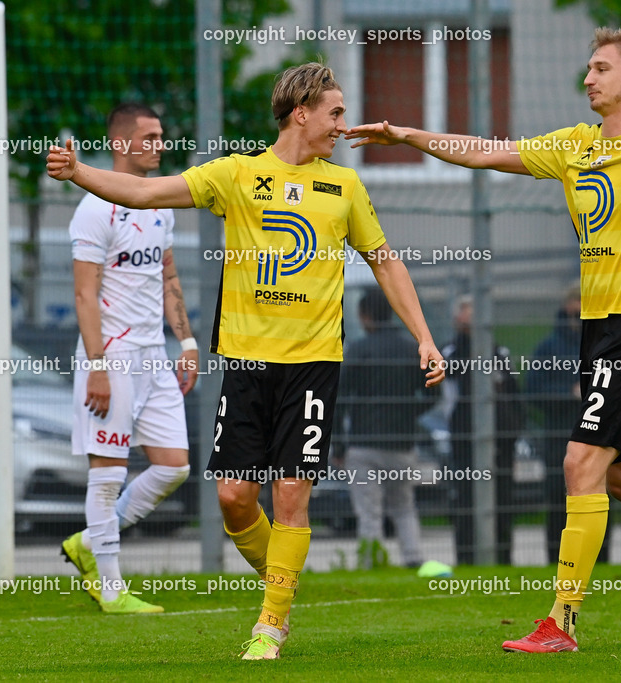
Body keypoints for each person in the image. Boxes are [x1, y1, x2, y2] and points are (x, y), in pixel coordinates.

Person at [347, 27, 621, 651]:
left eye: (601, 68)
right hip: (599, 333)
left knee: (579, 462)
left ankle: (561, 622)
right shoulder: (572, 146)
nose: (588, 78)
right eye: (588, 68)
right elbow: (485, 152)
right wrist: (406, 135)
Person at [48, 63, 445, 660]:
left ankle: (271, 623)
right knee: (235, 496)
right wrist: (78, 172)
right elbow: (146, 190)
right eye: (335, 112)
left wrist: (425, 336)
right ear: (302, 113)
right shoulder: (237, 175)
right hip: (247, 363)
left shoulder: (345, 187)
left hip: (314, 363)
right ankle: (280, 578)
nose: (343, 124)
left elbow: (385, 262)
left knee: (291, 493)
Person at [61, 103, 196, 615]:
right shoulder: (95, 207)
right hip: (111, 357)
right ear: (122, 144)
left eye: (162, 135)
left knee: (174, 467)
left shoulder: (160, 204)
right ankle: (111, 589)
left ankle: (91, 543)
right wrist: (96, 364)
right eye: (151, 136)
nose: (160, 144)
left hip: (154, 357)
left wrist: (184, 343)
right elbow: (83, 294)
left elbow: (168, 277)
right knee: (109, 471)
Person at [339, 287, 431, 568]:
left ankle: (371, 562)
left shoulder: (358, 350)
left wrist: (338, 445)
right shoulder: (410, 348)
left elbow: (339, 397)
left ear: (364, 315)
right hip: (401, 444)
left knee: (369, 512)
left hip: (363, 444)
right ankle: (414, 559)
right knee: (403, 507)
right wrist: (408, 412)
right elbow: (433, 392)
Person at [527, 285, 610, 565]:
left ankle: (600, 562)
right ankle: (557, 560)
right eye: (576, 302)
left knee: (598, 499)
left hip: (596, 433)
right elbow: (533, 392)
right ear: (566, 306)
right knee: (558, 501)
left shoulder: (603, 343)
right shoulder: (548, 348)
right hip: (558, 435)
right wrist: (569, 394)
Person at [442, 295, 523, 565]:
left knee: (502, 499)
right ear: (457, 319)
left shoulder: (499, 352)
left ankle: (503, 558)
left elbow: (513, 393)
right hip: (465, 440)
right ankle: (466, 559)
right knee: (465, 499)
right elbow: (448, 390)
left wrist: (513, 429)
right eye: (467, 314)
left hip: (501, 441)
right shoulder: (451, 353)